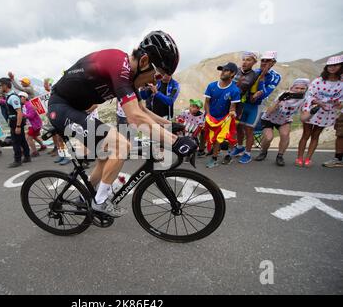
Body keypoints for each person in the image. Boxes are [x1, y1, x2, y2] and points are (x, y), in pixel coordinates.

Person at [48, 30, 196, 217]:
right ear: (143, 62)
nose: (155, 82)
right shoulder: (119, 67)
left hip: (78, 110)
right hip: (60, 107)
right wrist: (175, 142)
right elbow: (134, 118)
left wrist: (169, 125)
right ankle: (99, 202)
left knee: (107, 156)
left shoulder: (130, 77)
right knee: (121, 146)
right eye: (157, 75)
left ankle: (82, 198)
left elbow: (141, 110)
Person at [230, 51, 282, 164]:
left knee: (249, 129)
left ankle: (247, 153)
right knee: (239, 127)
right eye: (263, 60)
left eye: (267, 61)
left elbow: (265, 93)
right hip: (245, 103)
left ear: (273, 62)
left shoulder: (276, 76)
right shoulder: (255, 72)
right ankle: (239, 147)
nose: (264, 63)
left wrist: (262, 77)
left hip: (257, 105)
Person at [297, 55, 343, 167]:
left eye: (335, 65)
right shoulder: (318, 80)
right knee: (306, 134)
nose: (332, 68)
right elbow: (309, 95)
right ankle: (299, 158)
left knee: (316, 135)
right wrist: (319, 102)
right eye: (330, 65)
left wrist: (338, 103)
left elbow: (340, 99)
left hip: (326, 112)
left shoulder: (341, 83)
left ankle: (308, 159)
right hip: (312, 109)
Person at [255, 78, 310, 166]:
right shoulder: (284, 94)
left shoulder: (305, 99)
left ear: (306, 90)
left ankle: (280, 156)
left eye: (302, 89)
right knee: (268, 137)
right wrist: (279, 100)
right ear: (292, 88)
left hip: (284, 120)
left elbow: (303, 118)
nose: (299, 90)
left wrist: (312, 112)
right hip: (269, 118)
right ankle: (263, 152)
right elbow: (269, 111)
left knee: (285, 135)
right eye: (297, 88)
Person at [203, 62, 241, 168]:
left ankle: (220, 157)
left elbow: (233, 107)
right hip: (211, 116)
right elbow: (206, 102)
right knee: (208, 136)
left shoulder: (234, 90)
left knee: (222, 137)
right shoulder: (212, 86)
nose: (222, 72)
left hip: (224, 117)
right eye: (222, 70)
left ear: (233, 73)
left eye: (226, 70)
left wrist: (231, 114)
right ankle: (206, 151)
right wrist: (208, 115)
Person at [0, 78, 31, 168]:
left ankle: (17, 160)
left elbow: (19, 112)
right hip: (14, 121)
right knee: (22, 140)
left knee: (16, 142)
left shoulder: (12, 97)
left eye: (0, 85)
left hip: (16, 122)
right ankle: (27, 157)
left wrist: (18, 126)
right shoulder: (10, 96)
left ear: (5, 85)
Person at [19, 92, 46, 158]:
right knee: (34, 137)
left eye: (21, 97)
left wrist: (22, 115)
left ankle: (35, 152)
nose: (20, 99)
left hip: (34, 125)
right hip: (33, 124)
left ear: (25, 98)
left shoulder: (30, 106)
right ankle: (43, 146)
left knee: (28, 138)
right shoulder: (24, 105)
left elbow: (31, 116)